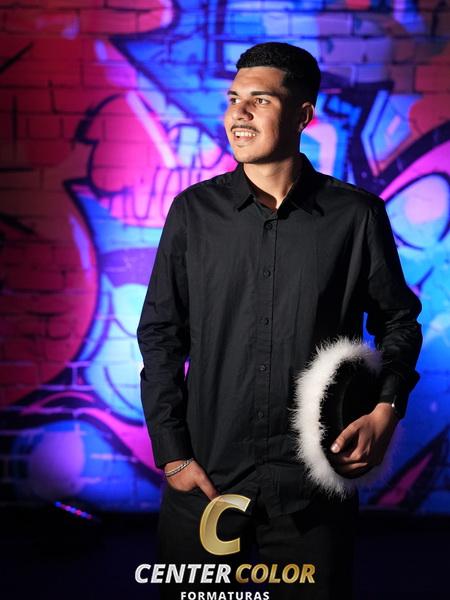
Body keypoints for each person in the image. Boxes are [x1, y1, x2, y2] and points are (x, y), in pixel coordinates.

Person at [137, 42, 422, 599]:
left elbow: (399, 321)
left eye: (260, 100)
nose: (238, 113)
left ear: (302, 115)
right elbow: (161, 334)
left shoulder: (356, 215)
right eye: (233, 99)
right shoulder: (193, 212)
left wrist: (386, 409)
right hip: (205, 484)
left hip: (313, 492)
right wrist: (172, 455)